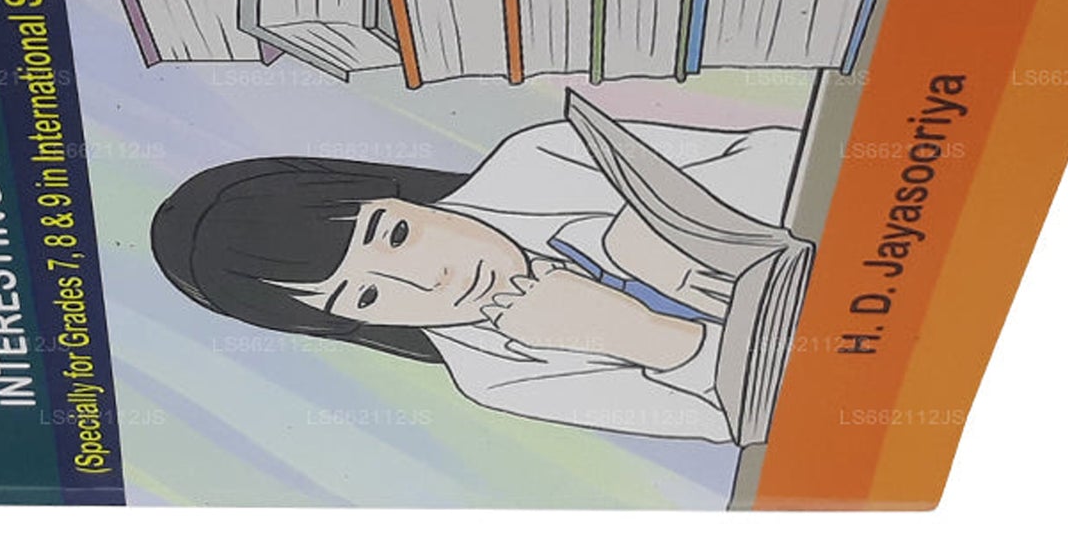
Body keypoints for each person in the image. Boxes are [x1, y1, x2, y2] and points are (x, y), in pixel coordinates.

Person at [150, 113, 798, 442]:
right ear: (355, 324)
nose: (431, 284)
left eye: (394, 235)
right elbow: (766, 426)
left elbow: (796, 155)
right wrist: (645, 338)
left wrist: (686, 223)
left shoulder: (543, 157)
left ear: (399, 194)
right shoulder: (498, 374)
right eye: (367, 295)